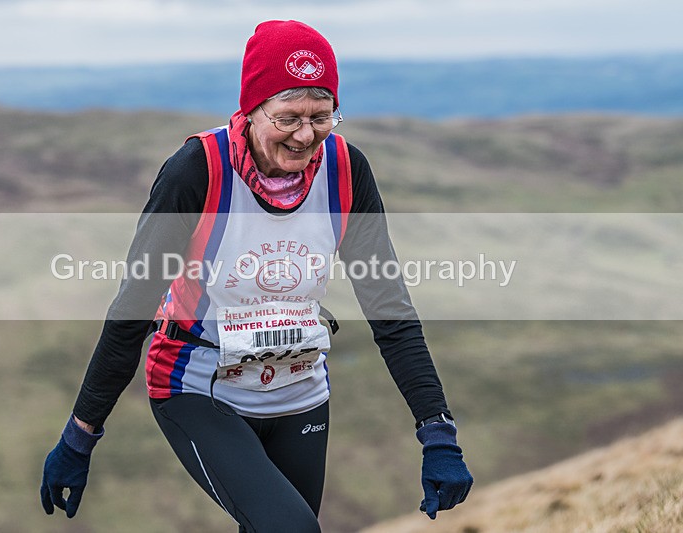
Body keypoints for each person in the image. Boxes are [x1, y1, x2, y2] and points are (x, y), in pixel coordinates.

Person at [40, 20, 473, 532]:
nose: (305, 135)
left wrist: (437, 431)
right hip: (198, 385)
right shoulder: (196, 171)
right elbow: (132, 309)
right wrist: (80, 435)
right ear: (251, 109)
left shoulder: (345, 169)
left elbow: (391, 311)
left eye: (322, 116)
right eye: (288, 117)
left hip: (299, 388)